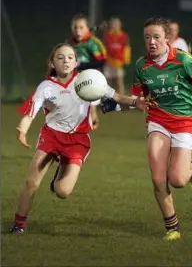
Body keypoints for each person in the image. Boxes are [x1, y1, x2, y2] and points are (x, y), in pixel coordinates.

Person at [102, 17, 192, 241]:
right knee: (157, 177)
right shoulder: (141, 66)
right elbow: (140, 100)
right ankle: (172, 227)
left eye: (156, 36)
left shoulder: (184, 60)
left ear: (167, 38)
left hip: (185, 121)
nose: (151, 41)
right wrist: (115, 106)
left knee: (178, 180)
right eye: (147, 37)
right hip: (158, 120)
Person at [10, 43, 149, 234]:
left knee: (62, 191)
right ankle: (18, 224)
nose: (65, 60)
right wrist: (22, 130)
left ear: (76, 62)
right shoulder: (46, 86)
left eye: (69, 57)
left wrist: (135, 102)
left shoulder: (88, 80)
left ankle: (61, 169)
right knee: (31, 182)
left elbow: (115, 96)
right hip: (51, 136)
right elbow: (31, 112)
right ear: (52, 62)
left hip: (78, 141)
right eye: (60, 57)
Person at [103, 17, 131, 95]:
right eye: (113, 24)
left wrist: (126, 59)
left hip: (119, 62)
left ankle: (121, 99)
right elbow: (104, 48)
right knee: (107, 81)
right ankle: (107, 98)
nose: (115, 25)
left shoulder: (124, 36)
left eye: (117, 24)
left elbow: (127, 48)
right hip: (109, 62)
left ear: (120, 25)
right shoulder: (107, 36)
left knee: (119, 82)